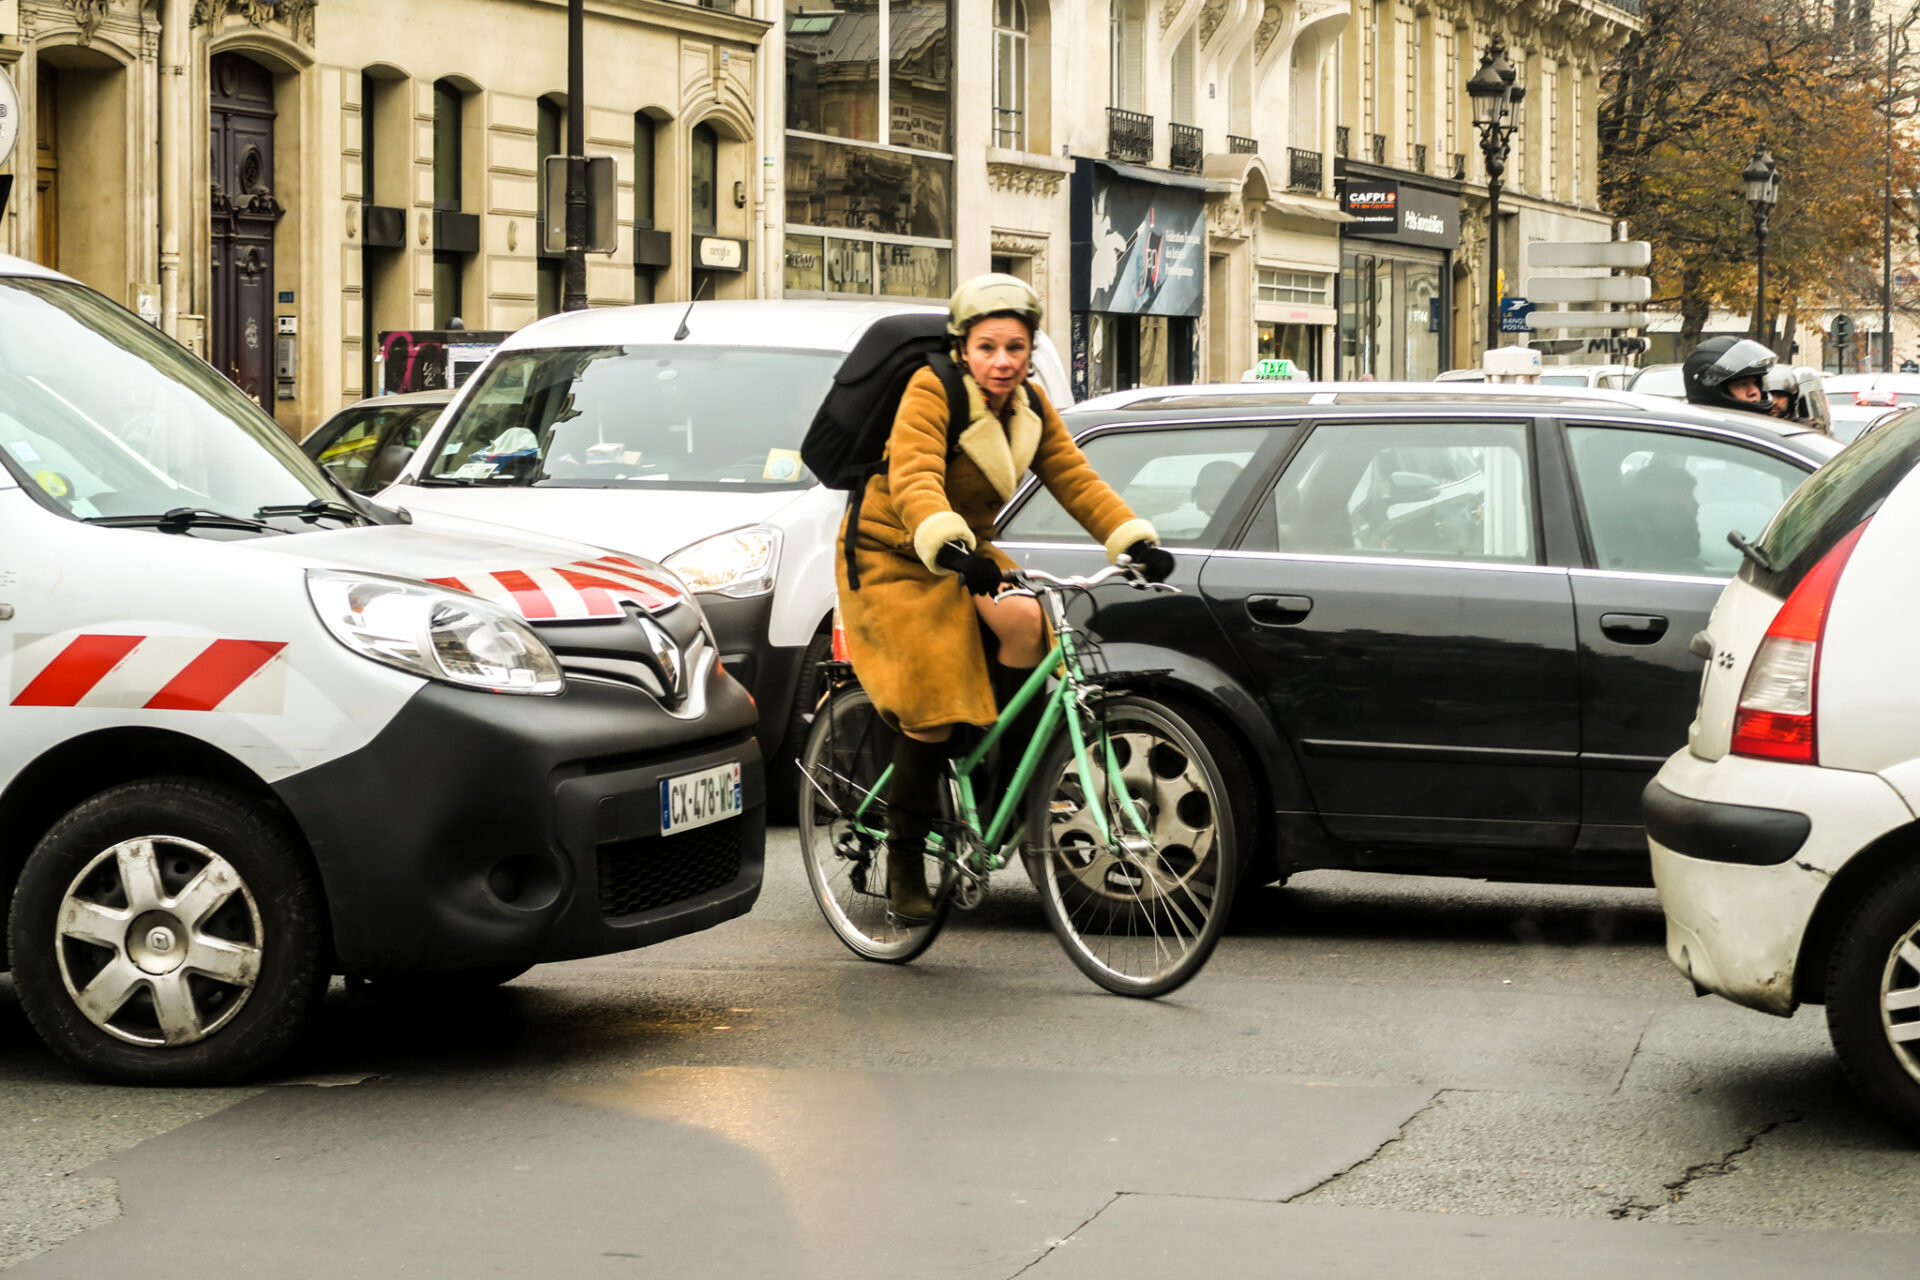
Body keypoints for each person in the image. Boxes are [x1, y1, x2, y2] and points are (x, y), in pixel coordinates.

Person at [834, 273, 1172, 922]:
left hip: (969, 551)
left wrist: (1129, 540)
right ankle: (905, 858)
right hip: (894, 551)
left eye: (1015, 347)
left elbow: (1077, 480)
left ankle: (991, 780)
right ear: (963, 348)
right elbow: (914, 480)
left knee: (1025, 623)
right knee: (932, 700)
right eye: (988, 347)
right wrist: (951, 545)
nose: (1002, 361)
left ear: (1030, 350)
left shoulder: (1031, 406)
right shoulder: (931, 390)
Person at [1682, 336, 1776, 415]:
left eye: (1755, 382)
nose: (1753, 392)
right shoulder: (1703, 432)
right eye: (1741, 384)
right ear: (1711, 390)